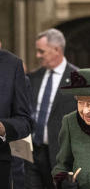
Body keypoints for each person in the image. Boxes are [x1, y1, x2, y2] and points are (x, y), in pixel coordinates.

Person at [26, 28, 78, 188]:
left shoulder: (78, 78)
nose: (37, 56)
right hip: (32, 154)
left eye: (41, 51)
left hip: (61, 155)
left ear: (56, 49)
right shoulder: (33, 77)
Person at [0, 49, 33, 189]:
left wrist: (3, 127)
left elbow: (24, 118)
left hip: (14, 141)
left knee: (19, 171)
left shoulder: (18, 75)